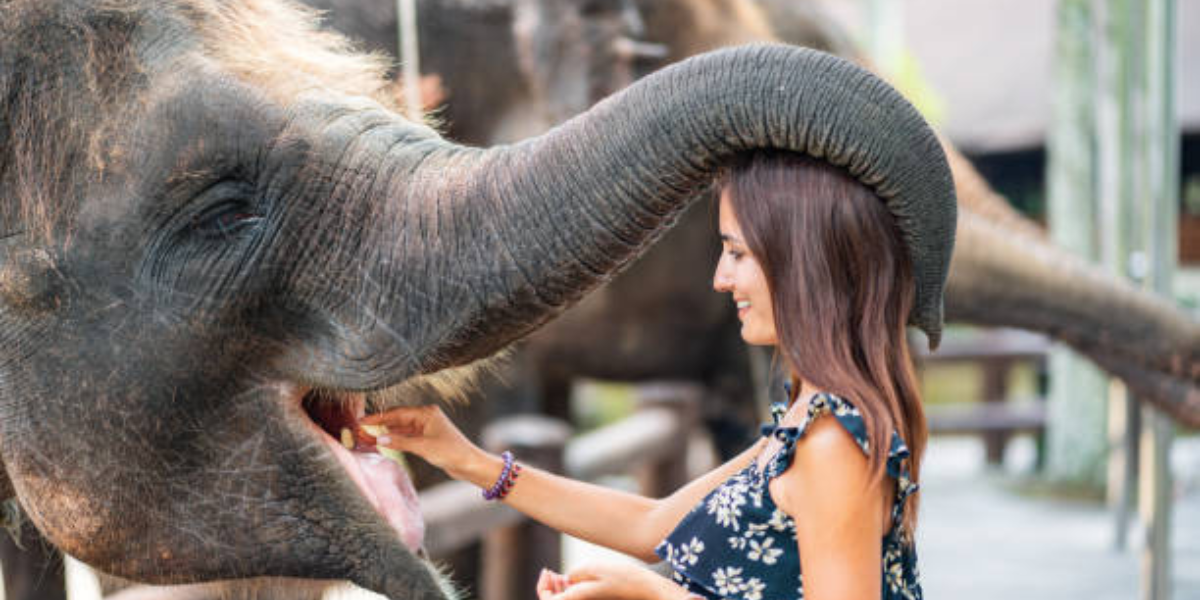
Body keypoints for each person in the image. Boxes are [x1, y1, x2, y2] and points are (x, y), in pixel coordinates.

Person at [360, 151, 929, 600]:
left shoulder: (833, 442)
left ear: (799, 261)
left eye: (736, 253)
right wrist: (466, 460)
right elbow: (652, 525)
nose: (720, 278)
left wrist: (650, 592)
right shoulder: (804, 421)